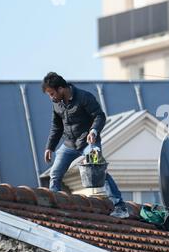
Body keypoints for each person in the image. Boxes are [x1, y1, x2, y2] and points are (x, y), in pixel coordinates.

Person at [42, 72, 129, 219]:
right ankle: (54, 204)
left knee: (98, 170)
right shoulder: (56, 104)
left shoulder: (84, 97)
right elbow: (56, 126)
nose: (51, 97)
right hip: (69, 144)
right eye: (49, 95)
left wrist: (93, 131)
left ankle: (120, 207)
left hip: (88, 142)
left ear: (61, 88)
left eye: (52, 93)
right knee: (55, 174)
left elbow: (99, 116)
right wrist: (49, 147)